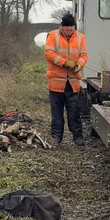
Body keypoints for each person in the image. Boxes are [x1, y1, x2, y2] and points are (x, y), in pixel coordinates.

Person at [43, 13, 89, 145]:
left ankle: (78, 137)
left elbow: (84, 55)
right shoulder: (53, 35)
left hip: (73, 82)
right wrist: (65, 63)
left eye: (71, 27)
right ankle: (56, 137)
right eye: (67, 27)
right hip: (56, 83)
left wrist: (79, 64)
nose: (69, 29)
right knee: (57, 112)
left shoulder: (80, 37)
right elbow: (48, 53)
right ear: (62, 27)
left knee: (74, 112)